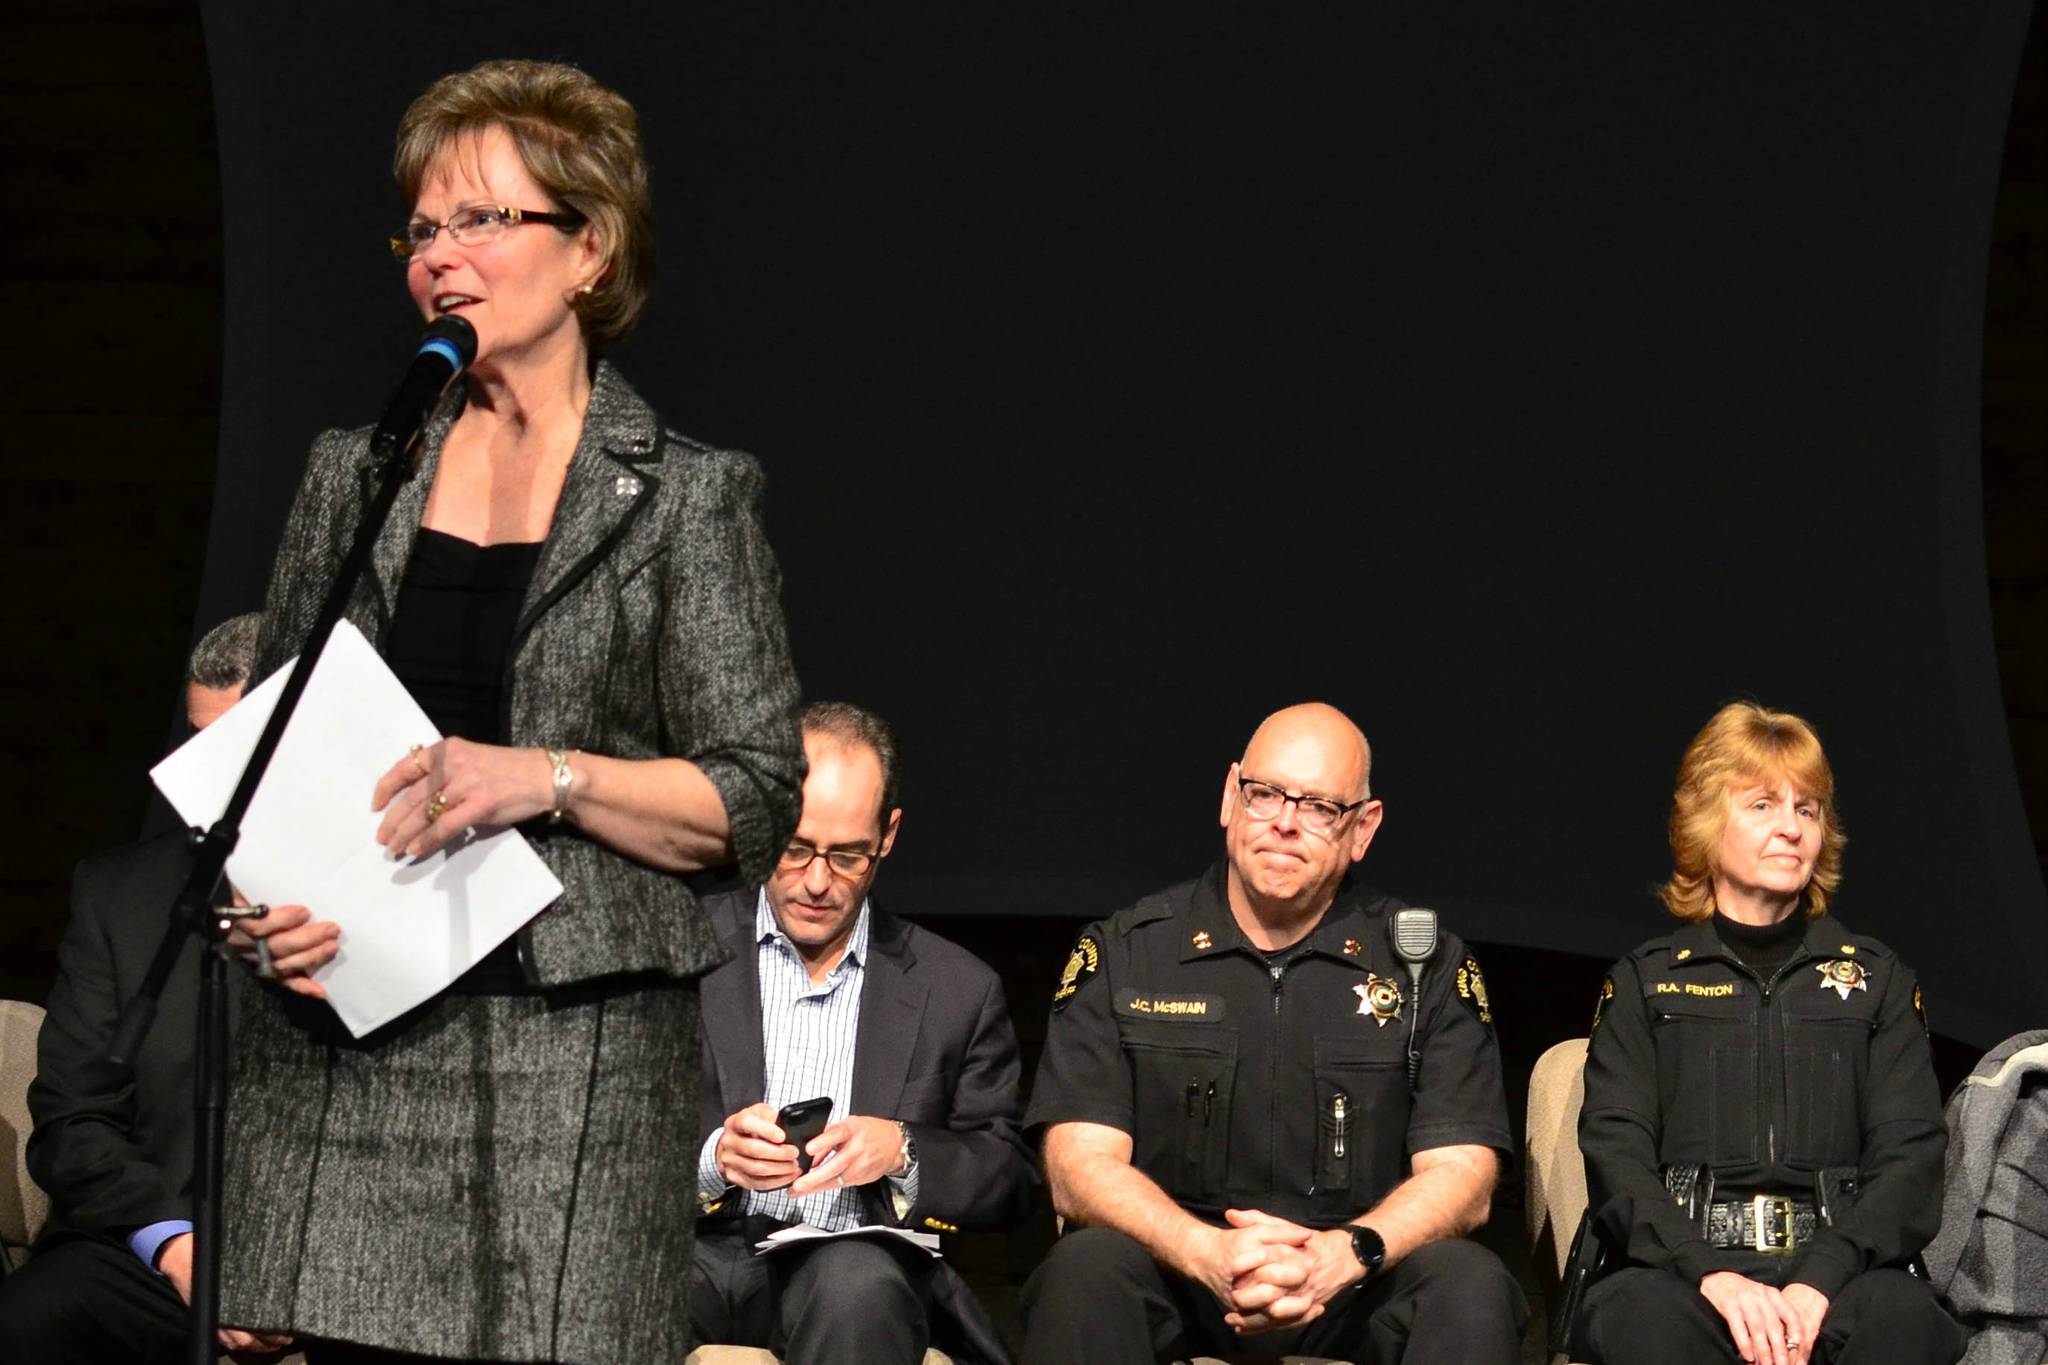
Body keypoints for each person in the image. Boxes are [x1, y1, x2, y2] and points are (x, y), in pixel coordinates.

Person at [212, 59, 804, 1364]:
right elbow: (274, 752)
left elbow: (755, 797)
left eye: (483, 219)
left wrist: (548, 776)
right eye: (422, 229)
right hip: (349, 1034)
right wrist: (261, 911)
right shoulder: (351, 471)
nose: (442, 257)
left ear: (588, 246)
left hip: (574, 1059)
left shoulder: (688, 500)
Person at [1018, 702, 1526, 1365]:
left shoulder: (1425, 966)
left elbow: (1465, 1173)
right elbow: (1077, 1168)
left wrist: (1345, 1252)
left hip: (1355, 1284)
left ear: (1362, 828)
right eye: (1265, 794)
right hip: (1179, 1276)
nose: (1284, 822)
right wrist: (1204, 1251)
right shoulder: (1127, 951)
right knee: (1084, 1266)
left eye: (1318, 807)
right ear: (1231, 796)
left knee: (1469, 1282)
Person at [1576, 702, 1968, 1365]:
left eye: (1807, 809)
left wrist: (1820, 1278)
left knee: (1905, 1318)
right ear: (1706, 822)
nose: (1790, 827)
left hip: (1840, 1279)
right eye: (1763, 805)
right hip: (1688, 1278)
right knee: (1639, 1317)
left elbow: (1911, 1160)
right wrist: (1712, 1274)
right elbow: (1618, 1160)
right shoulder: (1647, 983)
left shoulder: (1878, 982)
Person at [0, 614, 314, 1361]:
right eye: (198, 746)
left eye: (233, 752)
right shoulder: (122, 893)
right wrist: (177, 1248)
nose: (207, 783)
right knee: (31, 1318)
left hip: (355, 1259)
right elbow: (74, 1117)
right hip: (171, 1244)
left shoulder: (414, 881)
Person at [689, 701, 1035, 1364]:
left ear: (888, 835)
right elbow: (600, 1137)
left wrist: (903, 1150)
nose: (816, 881)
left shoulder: (956, 988)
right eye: (794, 848)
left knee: (856, 1284)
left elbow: (1008, 1177)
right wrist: (716, 1158)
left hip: (849, 1266)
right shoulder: (685, 949)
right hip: (697, 1247)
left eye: (848, 856)